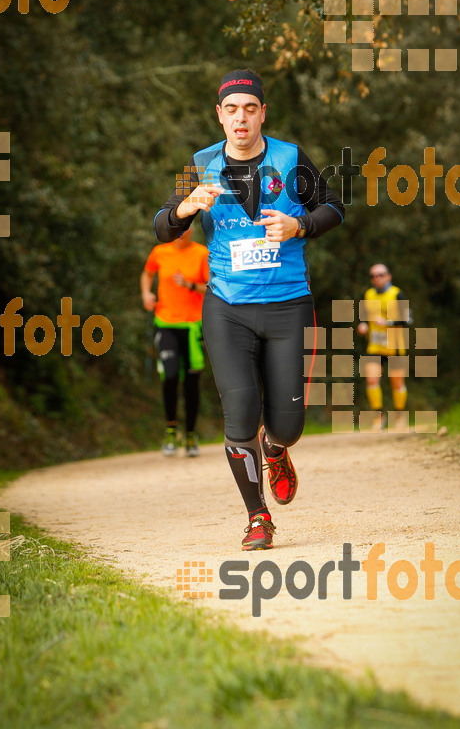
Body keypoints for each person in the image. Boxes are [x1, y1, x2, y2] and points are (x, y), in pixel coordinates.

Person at [153, 68, 344, 550]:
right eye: (232, 109)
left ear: (263, 113)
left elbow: (335, 207)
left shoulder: (292, 158)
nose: (241, 118)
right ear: (219, 116)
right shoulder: (198, 166)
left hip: (288, 307)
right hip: (228, 309)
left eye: (250, 108)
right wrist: (184, 208)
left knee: (287, 426)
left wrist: (299, 226)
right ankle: (258, 517)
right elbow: (161, 227)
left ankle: (276, 450)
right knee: (240, 414)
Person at [141, 227, 209, 456]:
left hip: (192, 326)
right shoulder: (160, 252)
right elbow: (147, 274)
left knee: (191, 383)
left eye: (185, 227)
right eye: (177, 227)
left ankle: (190, 435)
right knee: (169, 376)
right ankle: (171, 431)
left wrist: (189, 285)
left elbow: (211, 288)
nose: (181, 231)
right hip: (165, 323)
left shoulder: (201, 254)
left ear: (191, 229)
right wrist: (146, 294)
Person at [357, 263, 412, 429]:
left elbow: (408, 319)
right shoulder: (368, 294)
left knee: (397, 383)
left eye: (380, 275)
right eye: (373, 276)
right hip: (375, 346)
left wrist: (388, 323)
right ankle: (378, 417)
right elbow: (364, 316)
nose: (377, 278)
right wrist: (363, 324)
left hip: (395, 346)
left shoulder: (397, 294)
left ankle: (400, 416)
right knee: (372, 381)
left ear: (388, 276)